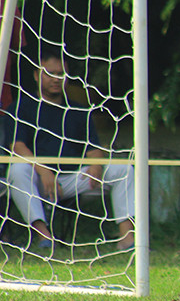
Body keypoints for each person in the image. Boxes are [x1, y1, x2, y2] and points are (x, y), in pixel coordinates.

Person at [7, 52, 135, 251]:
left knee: (123, 170)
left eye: (61, 73)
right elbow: (17, 146)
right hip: (37, 180)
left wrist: (95, 164)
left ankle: (127, 237)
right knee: (17, 170)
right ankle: (42, 235)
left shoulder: (78, 110)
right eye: (50, 73)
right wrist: (43, 171)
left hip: (72, 178)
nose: (56, 78)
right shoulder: (22, 107)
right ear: (36, 75)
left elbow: (93, 149)